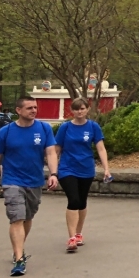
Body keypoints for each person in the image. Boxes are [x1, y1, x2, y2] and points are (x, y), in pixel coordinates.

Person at [0, 96, 59, 276]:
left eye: (35, 108)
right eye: (29, 108)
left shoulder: (44, 128)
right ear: (18, 110)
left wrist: (53, 174)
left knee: (27, 217)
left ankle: (18, 248)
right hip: (12, 180)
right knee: (17, 218)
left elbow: (51, 153)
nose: (33, 111)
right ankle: (19, 258)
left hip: (35, 181)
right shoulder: (5, 132)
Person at [55, 98, 111, 252]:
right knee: (73, 199)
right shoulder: (65, 128)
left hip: (86, 168)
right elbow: (56, 149)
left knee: (81, 201)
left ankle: (79, 233)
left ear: (87, 109)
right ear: (71, 111)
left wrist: (106, 168)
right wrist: (53, 171)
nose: (79, 112)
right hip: (67, 168)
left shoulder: (93, 126)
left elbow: (101, 149)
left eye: (82, 109)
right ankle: (72, 237)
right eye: (76, 109)